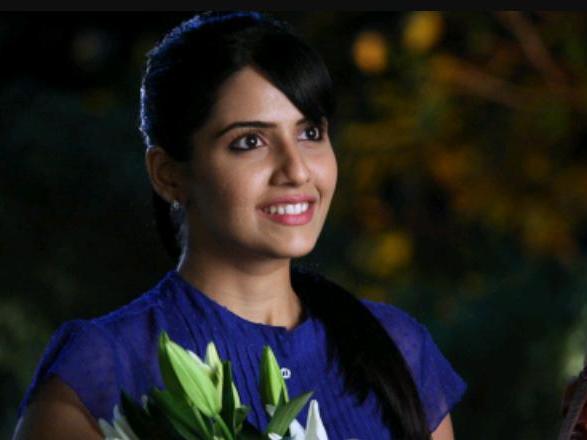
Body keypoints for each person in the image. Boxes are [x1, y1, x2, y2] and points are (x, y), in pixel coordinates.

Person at [12, 11, 466, 440]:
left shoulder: (395, 349)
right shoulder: (104, 369)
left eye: (309, 133)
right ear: (168, 175)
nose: (296, 170)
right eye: (250, 141)